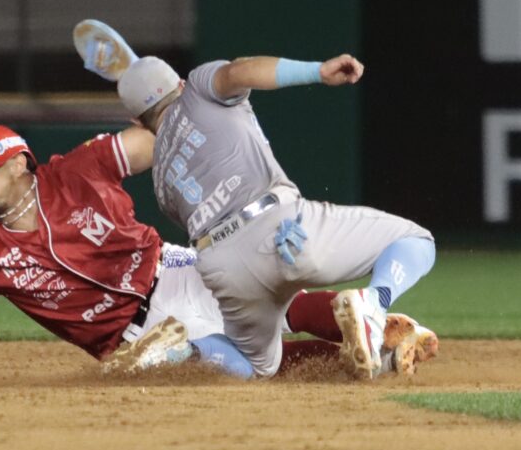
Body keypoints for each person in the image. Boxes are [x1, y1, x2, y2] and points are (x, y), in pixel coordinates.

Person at [0, 123, 438, 378]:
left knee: (272, 307)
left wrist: (170, 106)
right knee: (253, 366)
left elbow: (157, 139)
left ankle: (372, 327)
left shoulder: (78, 171)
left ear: (21, 163)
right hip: (127, 334)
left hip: (173, 268)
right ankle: (381, 332)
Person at [74, 19, 437, 380]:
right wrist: (316, 71)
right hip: (282, 231)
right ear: (180, 84)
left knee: (258, 365)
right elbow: (243, 70)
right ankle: (373, 306)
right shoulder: (200, 87)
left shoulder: (161, 182)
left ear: (137, 122)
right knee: (416, 240)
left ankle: (186, 349)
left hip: (223, 267)